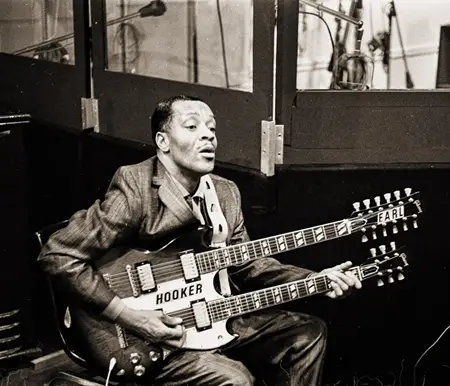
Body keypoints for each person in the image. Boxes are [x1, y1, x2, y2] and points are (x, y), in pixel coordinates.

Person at [37, 95, 362, 386]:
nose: (208, 135)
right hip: (149, 334)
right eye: (192, 126)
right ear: (163, 141)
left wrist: (315, 280)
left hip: (215, 314)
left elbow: (247, 264)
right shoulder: (135, 185)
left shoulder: (225, 192)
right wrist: (132, 318)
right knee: (234, 379)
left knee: (308, 334)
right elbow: (59, 254)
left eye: (212, 128)